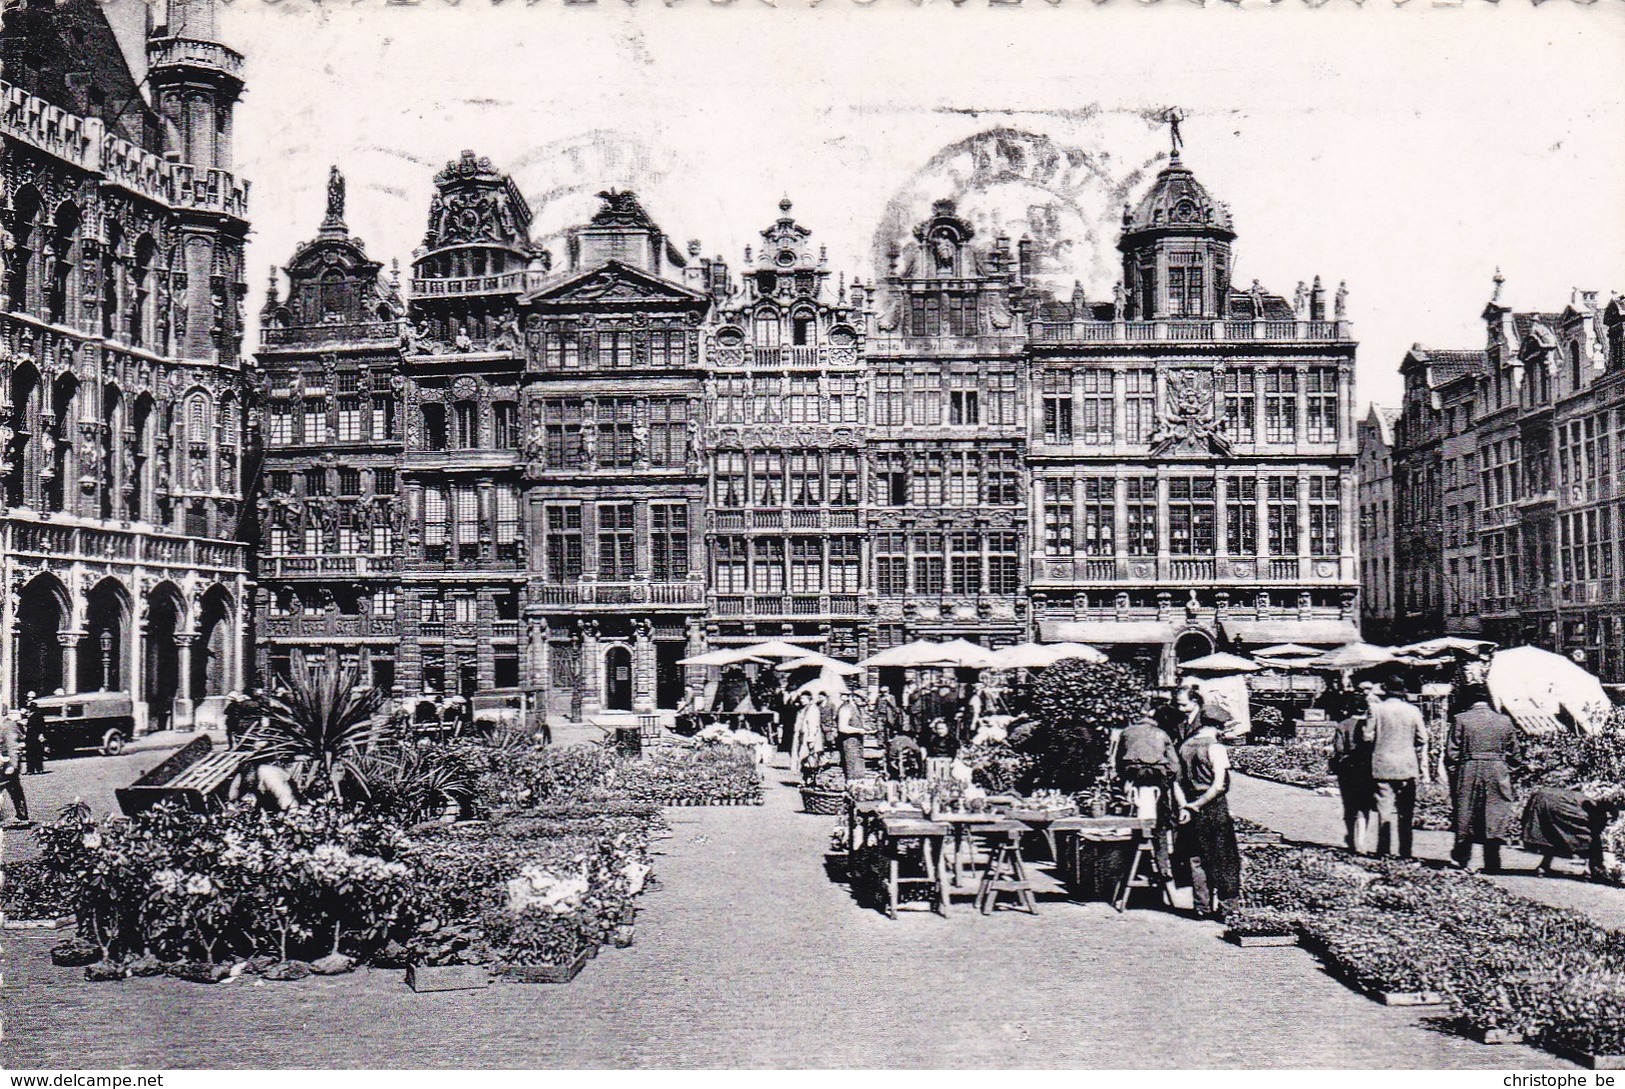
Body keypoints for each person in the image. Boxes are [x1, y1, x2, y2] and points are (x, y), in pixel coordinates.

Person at [1173, 710, 1242, 920]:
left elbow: (1175, 782)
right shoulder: (1215, 748)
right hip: (1212, 806)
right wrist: (1198, 804)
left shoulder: (1184, 746)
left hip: (1190, 804)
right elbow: (1218, 785)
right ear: (1218, 727)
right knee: (1224, 857)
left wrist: (1185, 806)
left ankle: (1201, 907)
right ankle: (1227, 908)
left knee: (1196, 857)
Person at [1445, 684, 1519, 874]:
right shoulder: (1504, 721)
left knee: (1465, 812)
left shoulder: (1461, 719)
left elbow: (1452, 753)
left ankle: (1463, 858)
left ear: (1469, 700)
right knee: (1494, 813)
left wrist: (1457, 773)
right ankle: (1492, 860)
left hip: (1468, 767)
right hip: (1497, 769)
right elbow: (1516, 756)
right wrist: (1504, 770)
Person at [1362, 673, 1427, 859]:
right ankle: (1405, 851)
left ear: (1385, 690)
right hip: (1407, 765)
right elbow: (1423, 738)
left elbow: (1367, 736)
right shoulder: (1413, 710)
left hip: (1383, 764)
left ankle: (1384, 850)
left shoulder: (1376, 709)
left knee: (1384, 809)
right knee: (1406, 812)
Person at [1116, 709, 1185, 878]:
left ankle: (1134, 865)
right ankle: (1163, 866)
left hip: (1133, 779)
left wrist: (1125, 778)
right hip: (1156, 780)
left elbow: (1118, 761)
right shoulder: (1161, 734)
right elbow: (1174, 765)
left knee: (1132, 821)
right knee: (1160, 824)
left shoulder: (1126, 733)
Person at [1329, 686, 1375, 852]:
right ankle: (1361, 841)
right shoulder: (1370, 725)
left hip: (1347, 768)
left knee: (1349, 805)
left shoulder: (1342, 725)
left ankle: (1350, 836)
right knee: (1364, 805)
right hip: (1365, 768)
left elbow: (1339, 749)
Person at [1, 705, 30, 827]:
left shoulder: (8, 725)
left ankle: (22, 816)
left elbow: (13, 746)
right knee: (15, 790)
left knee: (15, 791)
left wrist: (13, 765)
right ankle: (21, 815)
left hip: (7, 765)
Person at [835, 690, 867, 780]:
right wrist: (859, 730)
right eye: (862, 700)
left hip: (857, 742)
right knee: (852, 767)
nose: (863, 703)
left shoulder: (856, 708)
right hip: (849, 742)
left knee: (859, 767)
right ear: (855, 697)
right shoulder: (845, 709)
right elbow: (842, 728)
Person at [789, 691, 824, 773]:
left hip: (808, 736)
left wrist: (811, 737)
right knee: (803, 757)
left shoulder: (812, 709)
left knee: (810, 758)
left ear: (809, 699)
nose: (802, 700)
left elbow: (813, 724)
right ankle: (805, 778)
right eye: (801, 698)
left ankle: (810, 780)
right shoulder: (803, 709)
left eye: (804, 698)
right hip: (802, 735)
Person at [22, 692, 46, 775]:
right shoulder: (27, 715)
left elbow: (41, 725)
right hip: (29, 735)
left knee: (37, 752)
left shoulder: (37, 715)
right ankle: (30, 769)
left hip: (35, 735)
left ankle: (38, 768)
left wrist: (41, 734)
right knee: (30, 753)